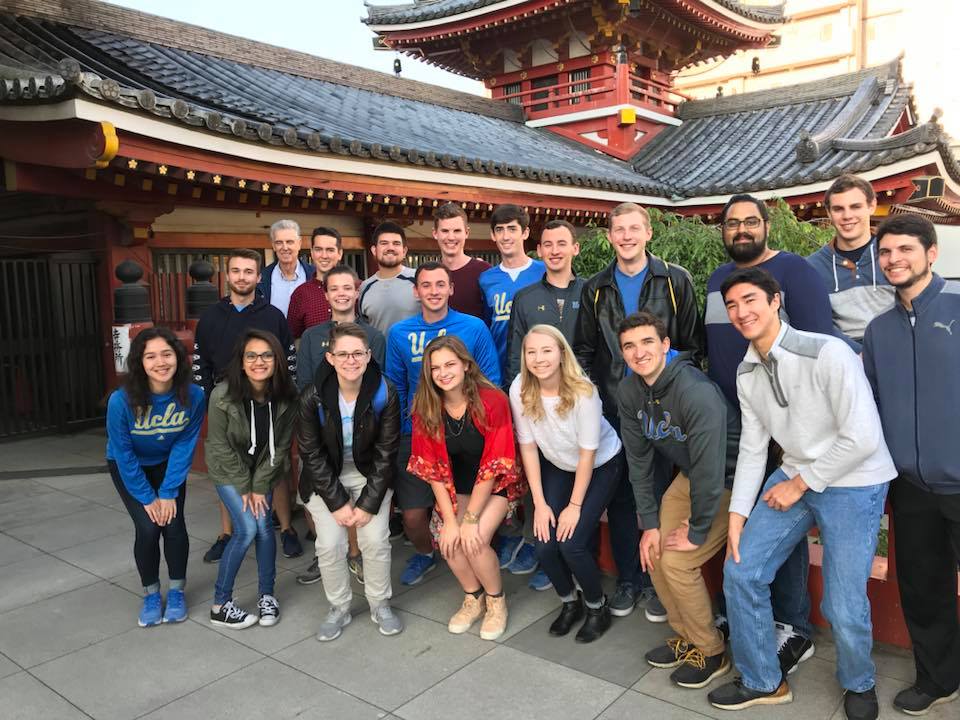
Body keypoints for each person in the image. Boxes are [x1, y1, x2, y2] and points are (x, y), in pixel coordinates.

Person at [707, 267, 895, 720]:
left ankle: (858, 681)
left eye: (750, 300)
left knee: (843, 601)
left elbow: (863, 437)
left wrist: (800, 484)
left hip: (854, 480)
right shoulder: (747, 370)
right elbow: (754, 448)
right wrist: (738, 515)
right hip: (794, 475)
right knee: (742, 571)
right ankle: (763, 679)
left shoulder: (827, 352)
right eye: (732, 305)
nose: (740, 312)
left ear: (775, 301)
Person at [704, 193, 836, 674]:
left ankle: (793, 626)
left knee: (783, 519)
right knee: (744, 517)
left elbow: (821, 346)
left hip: (785, 424)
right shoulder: (718, 280)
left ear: (766, 225)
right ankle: (745, 615)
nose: (742, 230)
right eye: (732, 223)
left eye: (750, 222)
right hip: (733, 419)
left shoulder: (796, 272)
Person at [574, 201, 703, 620]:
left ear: (649, 233)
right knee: (628, 495)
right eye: (619, 230)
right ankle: (631, 578)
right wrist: (602, 398)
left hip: (667, 407)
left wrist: (668, 389)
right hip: (617, 406)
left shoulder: (674, 280)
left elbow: (691, 344)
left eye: (634, 229)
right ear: (609, 236)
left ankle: (657, 581)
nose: (626, 237)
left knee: (665, 493)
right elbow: (585, 350)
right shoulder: (595, 287)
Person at [863, 214, 960, 716]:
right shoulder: (879, 331)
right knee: (923, 588)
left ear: (931, 253)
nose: (894, 260)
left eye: (905, 249)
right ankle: (938, 677)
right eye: (886, 252)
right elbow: (873, 403)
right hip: (910, 486)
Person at [617, 311, 738, 688]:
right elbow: (637, 460)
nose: (639, 353)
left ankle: (712, 651)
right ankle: (687, 637)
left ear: (666, 345)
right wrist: (649, 523)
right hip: (691, 479)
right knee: (653, 551)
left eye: (648, 342)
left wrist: (698, 529)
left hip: (729, 481)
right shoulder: (629, 391)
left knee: (678, 561)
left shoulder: (695, 391)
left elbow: (710, 470)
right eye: (629, 346)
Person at [385, 262, 500, 586]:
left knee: (472, 501)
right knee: (413, 515)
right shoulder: (399, 333)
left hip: (468, 429)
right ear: (415, 291)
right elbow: (396, 386)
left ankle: (479, 555)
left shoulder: (474, 327)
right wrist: (407, 432)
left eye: (440, 284)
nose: (433, 291)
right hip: (419, 432)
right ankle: (425, 553)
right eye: (426, 285)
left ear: (450, 289)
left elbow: (490, 380)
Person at [510, 325, 623, 642]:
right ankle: (569, 602)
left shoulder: (584, 393)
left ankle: (597, 606)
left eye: (546, 350)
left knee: (570, 542)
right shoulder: (520, 387)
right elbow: (528, 447)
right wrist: (541, 504)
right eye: (531, 352)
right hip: (559, 464)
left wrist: (574, 507)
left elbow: (588, 455)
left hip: (600, 464)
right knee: (544, 544)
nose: (538, 358)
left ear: (561, 353)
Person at [407, 335, 525, 641]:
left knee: (474, 539)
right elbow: (432, 469)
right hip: (454, 485)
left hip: (495, 483)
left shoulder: (491, 400)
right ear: (428, 373)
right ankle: (474, 597)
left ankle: (496, 602)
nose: (444, 372)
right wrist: (448, 521)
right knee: (448, 540)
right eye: (436, 368)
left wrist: (470, 519)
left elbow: (495, 464)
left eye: (450, 364)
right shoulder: (426, 407)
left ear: (465, 365)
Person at [192, 249, 301, 562]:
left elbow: (287, 360)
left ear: (258, 276)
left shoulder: (272, 315)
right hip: (226, 402)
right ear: (227, 275)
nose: (242, 276)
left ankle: (285, 528)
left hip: (269, 399)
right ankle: (228, 532)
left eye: (249, 271)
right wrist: (211, 399)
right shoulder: (211, 317)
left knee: (276, 464)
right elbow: (201, 363)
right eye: (236, 271)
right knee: (228, 468)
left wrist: (284, 394)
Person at [298, 323, 403, 641]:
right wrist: (337, 502)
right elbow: (311, 454)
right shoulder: (312, 397)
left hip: (370, 475)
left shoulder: (385, 392)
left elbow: (387, 453)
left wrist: (368, 503)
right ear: (330, 357)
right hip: (325, 478)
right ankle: (339, 607)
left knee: (374, 540)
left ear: (369, 355)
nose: (351, 360)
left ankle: (379, 603)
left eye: (358, 353)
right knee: (330, 544)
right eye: (342, 353)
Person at [107, 327, 204, 627]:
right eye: (150, 356)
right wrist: (148, 496)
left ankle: (176, 591)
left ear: (178, 357)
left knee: (174, 525)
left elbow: (185, 444)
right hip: (130, 466)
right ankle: (151, 593)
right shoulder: (120, 401)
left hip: (167, 464)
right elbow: (123, 453)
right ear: (140, 362)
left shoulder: (194, 395)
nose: (160, 362)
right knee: (148, 528)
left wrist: (168, 490)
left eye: (166, 354)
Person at [295, 264, 386, 585]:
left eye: (348, 288)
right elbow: (305, 385)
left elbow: (379, 389)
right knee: (324, 500)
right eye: (335, 289)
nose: (342, 294)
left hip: (362, 438)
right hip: (323, 435)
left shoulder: (373, 336)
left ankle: (356, 555)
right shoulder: (312, 336)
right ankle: (329, 557)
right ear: (327, 294)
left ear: (356, 291)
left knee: (361, 505)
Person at [204, 329, 298, 629]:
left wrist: (260, 485)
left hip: (263, 469)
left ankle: (266, 596)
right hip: (228, 469)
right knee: (246, 529)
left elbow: (281, 445)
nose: (259, 361)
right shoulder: (222, 395)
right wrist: (245, 487)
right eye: (252, 356)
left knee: (265, 530)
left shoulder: (285, 394)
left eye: (267, 355)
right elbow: (219, 446)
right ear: (242, 362)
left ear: (277, 360)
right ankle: (220, 604)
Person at [479, 204, 545, 579]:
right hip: (502, 381)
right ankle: (509, 530)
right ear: (493, 236)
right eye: (499, 230)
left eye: (512, 229)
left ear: (525, 233)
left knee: (541, 458)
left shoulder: (541, 271)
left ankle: (538, 538)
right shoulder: (487, 280)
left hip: (540, 378)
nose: (506, 236)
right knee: (509, 461)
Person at [807, 175, 894, 352]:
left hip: (897, 348)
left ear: (872, 206)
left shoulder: (894, 254)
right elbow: (819, 325)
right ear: (829, 213)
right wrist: (858, 355)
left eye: (855, 207)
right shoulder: (812, 267)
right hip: (842, 356)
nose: (847, 216)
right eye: (839, 209)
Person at [507, 219, 583, 383]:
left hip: (583, 390)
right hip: (537, 392)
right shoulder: (524, 298)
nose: (554, 251)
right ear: (540, 250)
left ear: (575, 248)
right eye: (548, 245)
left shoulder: (590, 292)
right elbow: (515, 356)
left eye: (562, 244)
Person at [358, 221, 419, 335]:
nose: (390, 248)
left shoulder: (419, 279)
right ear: (374, 250)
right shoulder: (365, 287)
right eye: (384, 243)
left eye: (396, 243)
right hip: (379, 352)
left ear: (404, 251)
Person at [286, 226, 345, 340]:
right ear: (312, 253)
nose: (324, 255)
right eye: (318, 249)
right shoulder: (300, 294)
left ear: (340, 253)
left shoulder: (356, 289)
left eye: (330, 250)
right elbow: (292, 338)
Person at [433, 202, 490, 317]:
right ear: (435, 233)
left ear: (467, 233)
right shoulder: (430, 274)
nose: (451, 237)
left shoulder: (484, 271)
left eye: (457, 231)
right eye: (445, 231)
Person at [257, 219, 315, 319]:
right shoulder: (262, 278)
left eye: (289, 242)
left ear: (299, 243)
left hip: (307, 334)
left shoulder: (315, 275)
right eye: (279, 242)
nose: (285, 247)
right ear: (273, 246)